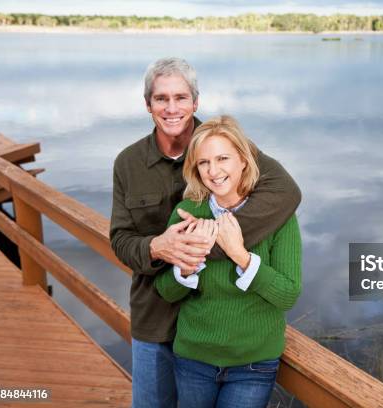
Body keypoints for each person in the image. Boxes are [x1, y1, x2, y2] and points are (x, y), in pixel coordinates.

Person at [109, 58, 301, 408]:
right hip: (156, 317)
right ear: (147, 104)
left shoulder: (224, 142)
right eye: (161, 98)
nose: (171, 108)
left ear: (195, 102)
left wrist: (216, 242)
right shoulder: (127, 162)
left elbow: (287, 193)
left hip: (225, 335)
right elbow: (120, 241)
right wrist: (158, 246)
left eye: (181, 97)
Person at [154, 115, 302, 408]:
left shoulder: (279, 215)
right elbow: (166, 291)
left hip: (252, 364)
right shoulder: (187, 212)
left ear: (244, 161)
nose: (214, 170)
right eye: (204, 162)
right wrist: (187, 267)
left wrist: (240, 256)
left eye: (223, 158)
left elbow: (288, 295)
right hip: (193, 358)